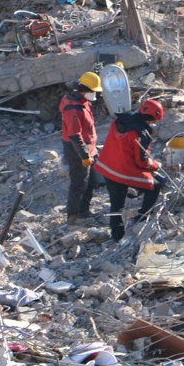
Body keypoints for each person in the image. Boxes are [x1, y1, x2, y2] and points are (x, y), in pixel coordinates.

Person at [95, 100, 166, 242]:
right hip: (123, 171)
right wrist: (155, 165)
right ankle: (142, 218)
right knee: (155, 186)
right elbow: (141, 161)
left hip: (107, 167)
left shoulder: (119, 120)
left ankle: (116, 236)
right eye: (154, 120)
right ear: (152, 118)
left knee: (116, 205)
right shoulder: (141, 134)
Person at [60, 72, 103, 225]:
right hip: (77, 150)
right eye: (93, 91)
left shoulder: (81, 101)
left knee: (90, 182)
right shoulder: (73, 108)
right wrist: (84, 156)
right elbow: (74, 135)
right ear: (84, 89)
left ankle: (84, 211)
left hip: (88, 148)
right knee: (78, 184)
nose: (95, 94)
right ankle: (74, 216)